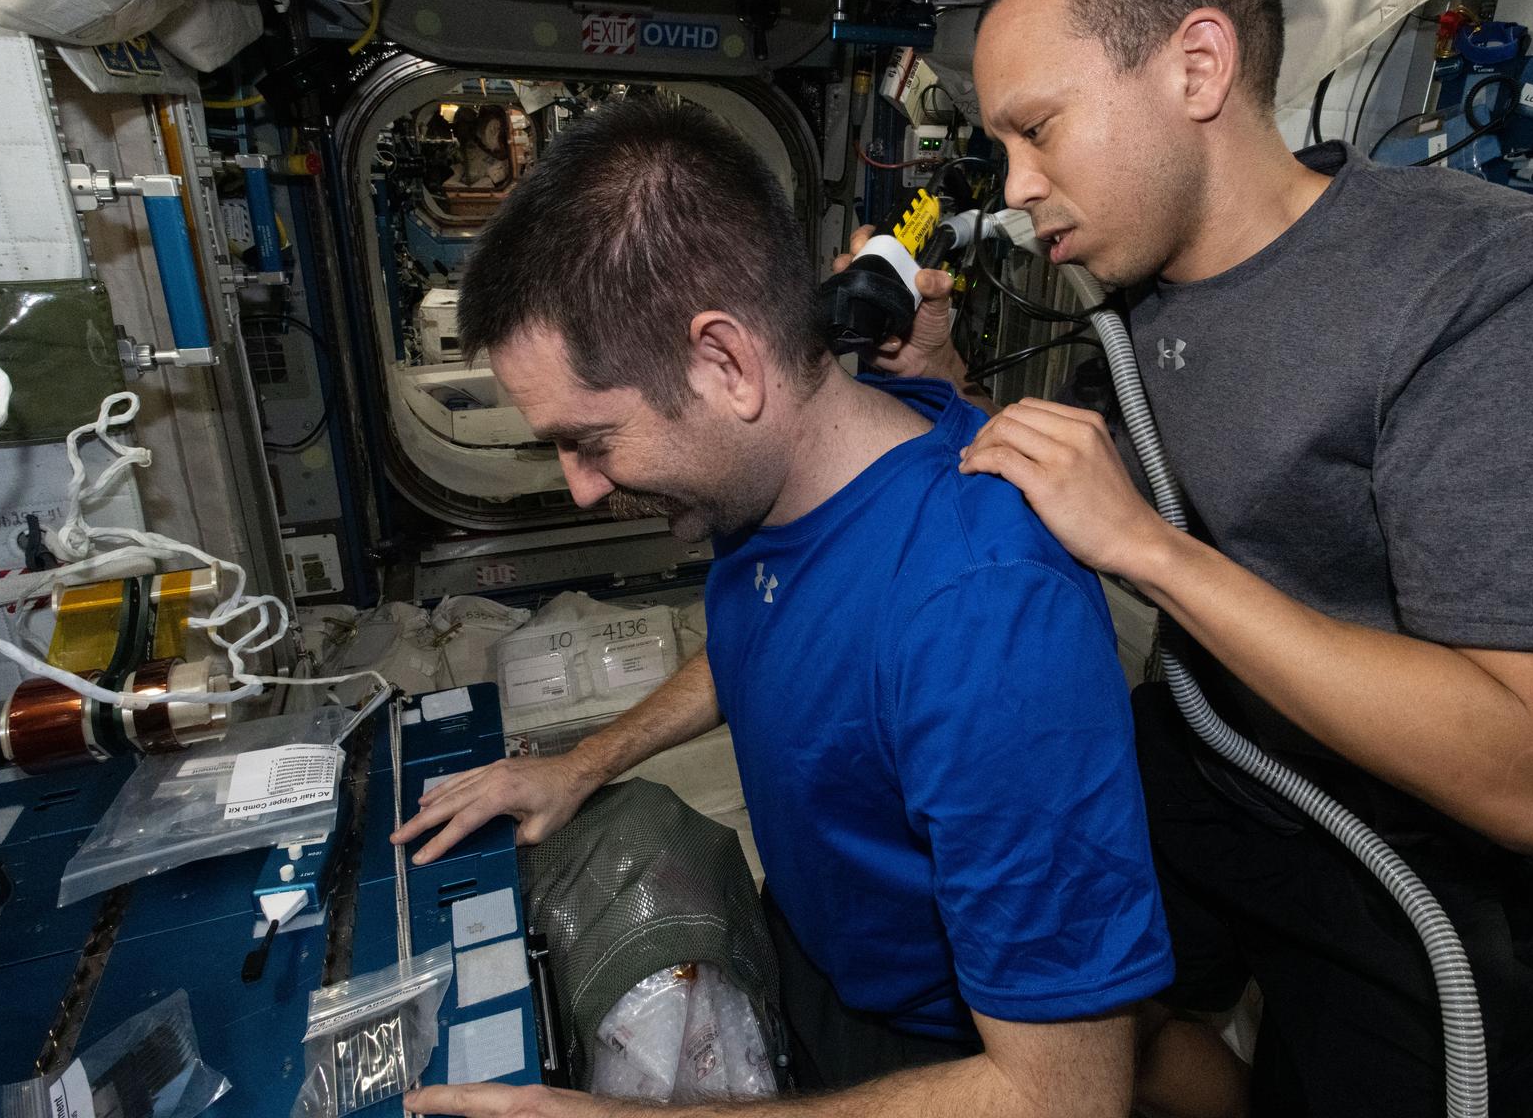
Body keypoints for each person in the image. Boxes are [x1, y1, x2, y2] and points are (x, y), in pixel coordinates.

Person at [853, 0, 1533, 1118]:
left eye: (1039, 128)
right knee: (1025, 983)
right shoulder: (1136, 310)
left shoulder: (1496, 286)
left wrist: (1149, 550)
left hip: (1410, 865)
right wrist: (952, 384)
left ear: (1196, 65)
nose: (1017, 188)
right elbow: (1089, 486)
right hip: (1215, 769)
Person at [393, 96, 1176, 1118]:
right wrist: (577, 765)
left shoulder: (984, 617)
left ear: (725, 363)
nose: (582, 485)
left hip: (946, 1052)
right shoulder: (764, 485)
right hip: (813, 943)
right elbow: (764, 637)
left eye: (590, 437)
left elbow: (1063, 1097)